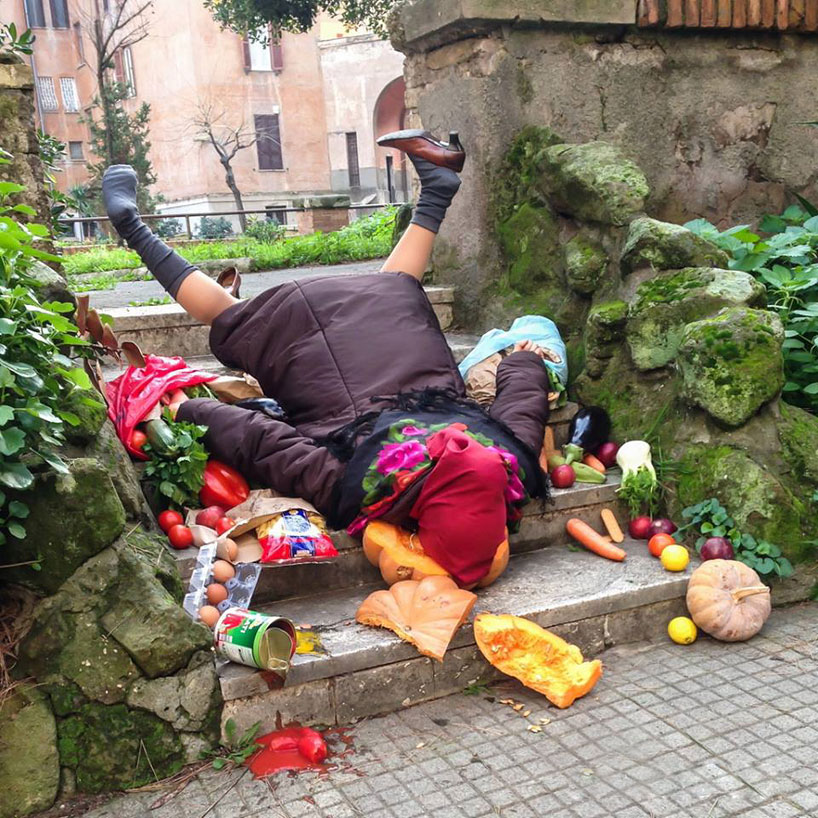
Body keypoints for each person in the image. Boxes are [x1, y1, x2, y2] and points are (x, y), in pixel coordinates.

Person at [101, 130, 552, 587]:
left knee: (393, 290)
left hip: (394, 316)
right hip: (301, 328)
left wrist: (524, 363)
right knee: (229, 315)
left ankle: (437, 191)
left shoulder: (508, 460)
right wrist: (192, 411)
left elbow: (523, 409)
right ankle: (131, 226)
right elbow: (264, 442)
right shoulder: (354, 485)